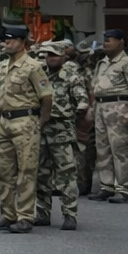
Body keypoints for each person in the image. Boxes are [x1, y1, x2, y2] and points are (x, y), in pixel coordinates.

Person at [0, 24, 52, 233]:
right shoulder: (1, 67)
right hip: (5, 122)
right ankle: (8, 214)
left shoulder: (33, 66)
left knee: (26, 171)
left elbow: (47, 97)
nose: (6, 43)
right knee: (4, 171)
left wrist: (40, 122)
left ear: (22, 42)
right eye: (5, 40)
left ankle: (25, 216)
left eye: (11, 40)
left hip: (26, 121)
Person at [37, 40, 87, 230]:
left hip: (61, 129)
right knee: (41, 174)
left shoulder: (71, 75)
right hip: (42, 128)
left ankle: (70, 214)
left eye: (55, 55)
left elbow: (82, 99)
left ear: (63, 57)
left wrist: (80, 112)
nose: (51, 58)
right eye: (48, 55)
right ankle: (42, 212)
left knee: (66, 174)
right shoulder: (40, 74)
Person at [89, 27, 128, 203]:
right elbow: (94, 87)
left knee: (119, 149)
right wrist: (92, 107)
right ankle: (106, 186)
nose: (106, 43)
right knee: (102, 148)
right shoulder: (101, 62)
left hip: (119, 106)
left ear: (120, 42)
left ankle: (123, 188)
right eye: (105, 40)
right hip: (101, 106)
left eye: (110, 40)